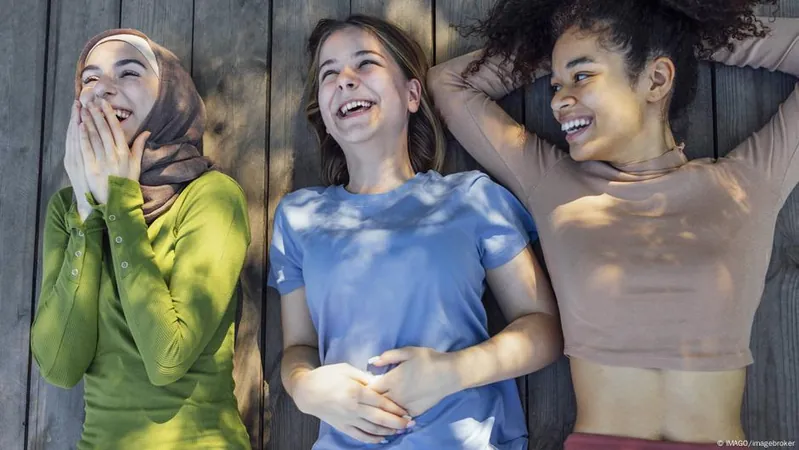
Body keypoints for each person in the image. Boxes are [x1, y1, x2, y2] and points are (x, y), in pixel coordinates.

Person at [429, 0, 797, 446]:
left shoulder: (747, 184)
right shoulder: (553, 183)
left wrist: (677, 37)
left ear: (657, 79)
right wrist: (566, 51)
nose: (558, 99)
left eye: (582, 76)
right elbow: (450, 83)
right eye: (555, 83)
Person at [268, 14, 563, 449]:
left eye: (365, 63)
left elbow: (544, 329)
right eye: (329, 74)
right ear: (325, 116)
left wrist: (456, 371)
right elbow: (298, 346)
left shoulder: (472, 198)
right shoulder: (297, 217)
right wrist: (304, 387)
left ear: (411, 94)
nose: (345, 79)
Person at [30, 29, 251, 449]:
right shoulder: (67, 208)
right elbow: (59, 366)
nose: (103, 88)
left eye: (128, 72)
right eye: (90, 78)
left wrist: (120, 203)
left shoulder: (212, 196)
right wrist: (87, 211)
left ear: (171, 96)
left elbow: (168, 357)